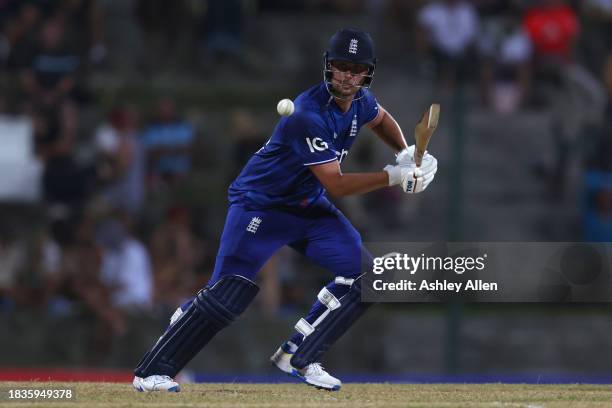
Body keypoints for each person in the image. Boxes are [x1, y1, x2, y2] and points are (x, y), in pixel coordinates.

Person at [132, 28, 438, 393]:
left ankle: (301, 356)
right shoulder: (306, 114)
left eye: (356, 70)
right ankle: (151, 372)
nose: (347, 76)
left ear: (367, 74)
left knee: (366, 278)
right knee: (227, 296)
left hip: (306, 207)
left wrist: (404, 152)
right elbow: (336, 184)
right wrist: (392, 177)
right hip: (260, 206)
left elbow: (381, 118)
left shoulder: (360, 101)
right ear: (328, 66)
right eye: (341, 66)